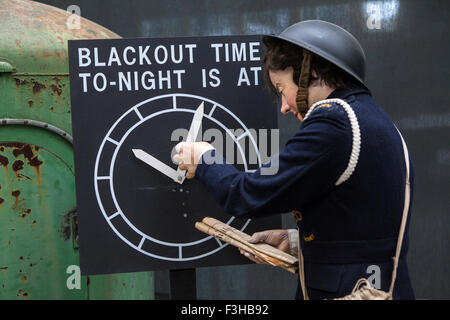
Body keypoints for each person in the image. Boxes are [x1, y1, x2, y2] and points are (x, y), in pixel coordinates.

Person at [173, 20, 415, 300]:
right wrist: (300, 242)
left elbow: (248, 194)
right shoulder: (375, 121)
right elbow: (366, 226)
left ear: (309, 75)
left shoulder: (333, 123)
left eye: (281, 88)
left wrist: (204, 158)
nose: (285, 106)